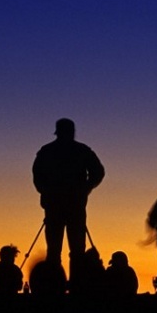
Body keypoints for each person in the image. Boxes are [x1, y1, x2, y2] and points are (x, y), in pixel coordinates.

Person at [32, 118, 105, 291]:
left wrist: (47, 192)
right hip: (71, 206)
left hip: (61, 206)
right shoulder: (80, 151)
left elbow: (37, 176)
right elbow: (98, 172)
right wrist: (86, 188)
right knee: (73, 251)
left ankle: (54, 288)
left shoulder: (47, 151)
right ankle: (74, 287)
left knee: (57, 251)